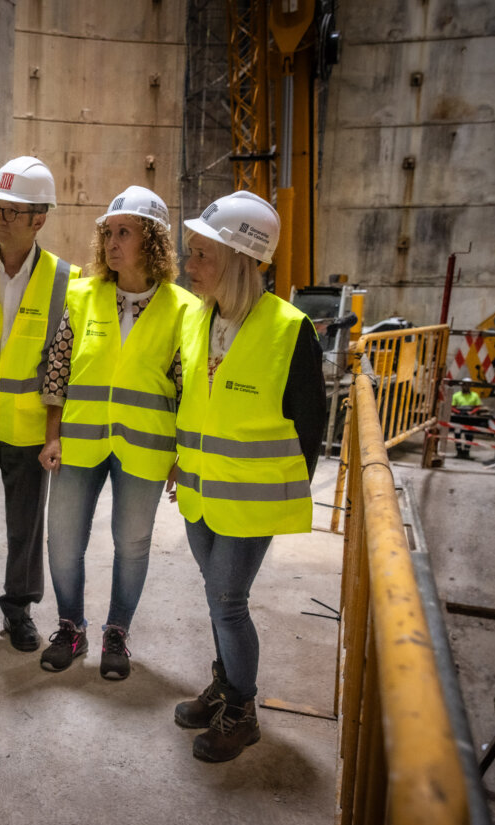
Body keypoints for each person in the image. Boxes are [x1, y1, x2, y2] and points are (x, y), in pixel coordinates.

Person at [171, 190, 326, 762]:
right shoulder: (197, 317)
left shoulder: (289, 329)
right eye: (190, 252)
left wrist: (281, 491)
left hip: (251, 499)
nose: (189, 264)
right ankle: (225, 688)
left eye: (202, 254)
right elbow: (195, 403)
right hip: (199, 490)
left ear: (239, 260)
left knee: (228, 600)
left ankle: (242, 712)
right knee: (218, 599)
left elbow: (311, 426)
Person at [37, 186, 198, 679]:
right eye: (107, 233)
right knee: (63, 542)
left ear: (152, 240)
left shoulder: (183, 308)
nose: (111, 242)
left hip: (147, 448)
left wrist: (182, 457)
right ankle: (71, 627)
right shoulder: (83, 295)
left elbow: (188, 389)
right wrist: (52, 435)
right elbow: (58, 370)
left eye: (124, 232)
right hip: (80, 442)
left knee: (131, 545)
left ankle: (117, 633)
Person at [0, 156, 79, 650]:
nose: (0, 218)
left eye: (12, 211)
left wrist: (54, 432)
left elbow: (62, 362)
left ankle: (18, 609)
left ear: (40, 219)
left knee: (25, 529)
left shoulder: (65, 280)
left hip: (29, 427)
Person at [449, 384, 484, 458]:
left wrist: (471, 412)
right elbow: (452, 406)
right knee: (457, 433)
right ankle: (459, 451)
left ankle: (466, 451)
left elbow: (478, 406)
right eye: (464, 385)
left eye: (467, 385)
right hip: (459, 417)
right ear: (461, 386)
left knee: (469, 434)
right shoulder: (456, 395)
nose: (466, 387)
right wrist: (458, 412)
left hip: (469, 418)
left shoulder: (474, 395)